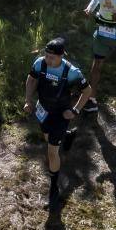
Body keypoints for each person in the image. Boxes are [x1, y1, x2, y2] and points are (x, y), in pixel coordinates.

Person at [25, 39, 92, 207]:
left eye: (52, 57)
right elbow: (31, 79)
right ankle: (68, 136)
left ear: (61, 56)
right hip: (43, 110)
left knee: (52, 152)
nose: (48, 59)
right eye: (46, 55)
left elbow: (87, 91)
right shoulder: (40, 63)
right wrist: (28, 100)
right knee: (48, 138)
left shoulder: (72, 72)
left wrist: (75, 110)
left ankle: (54, 185)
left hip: (61, 115)